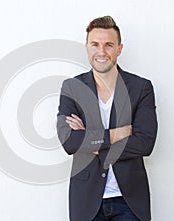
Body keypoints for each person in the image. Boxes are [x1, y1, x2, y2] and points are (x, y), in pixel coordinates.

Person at [56, 16, 158, 221]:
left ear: (119, 49)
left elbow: (145, 143)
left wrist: (89, 140)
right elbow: (69, 142)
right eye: (95, 44)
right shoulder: (72, 88)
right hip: (87, 201)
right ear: (87, 47)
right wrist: (118, 134)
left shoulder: (141, 88)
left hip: (129, 201)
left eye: (108, 45)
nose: (101, 51)